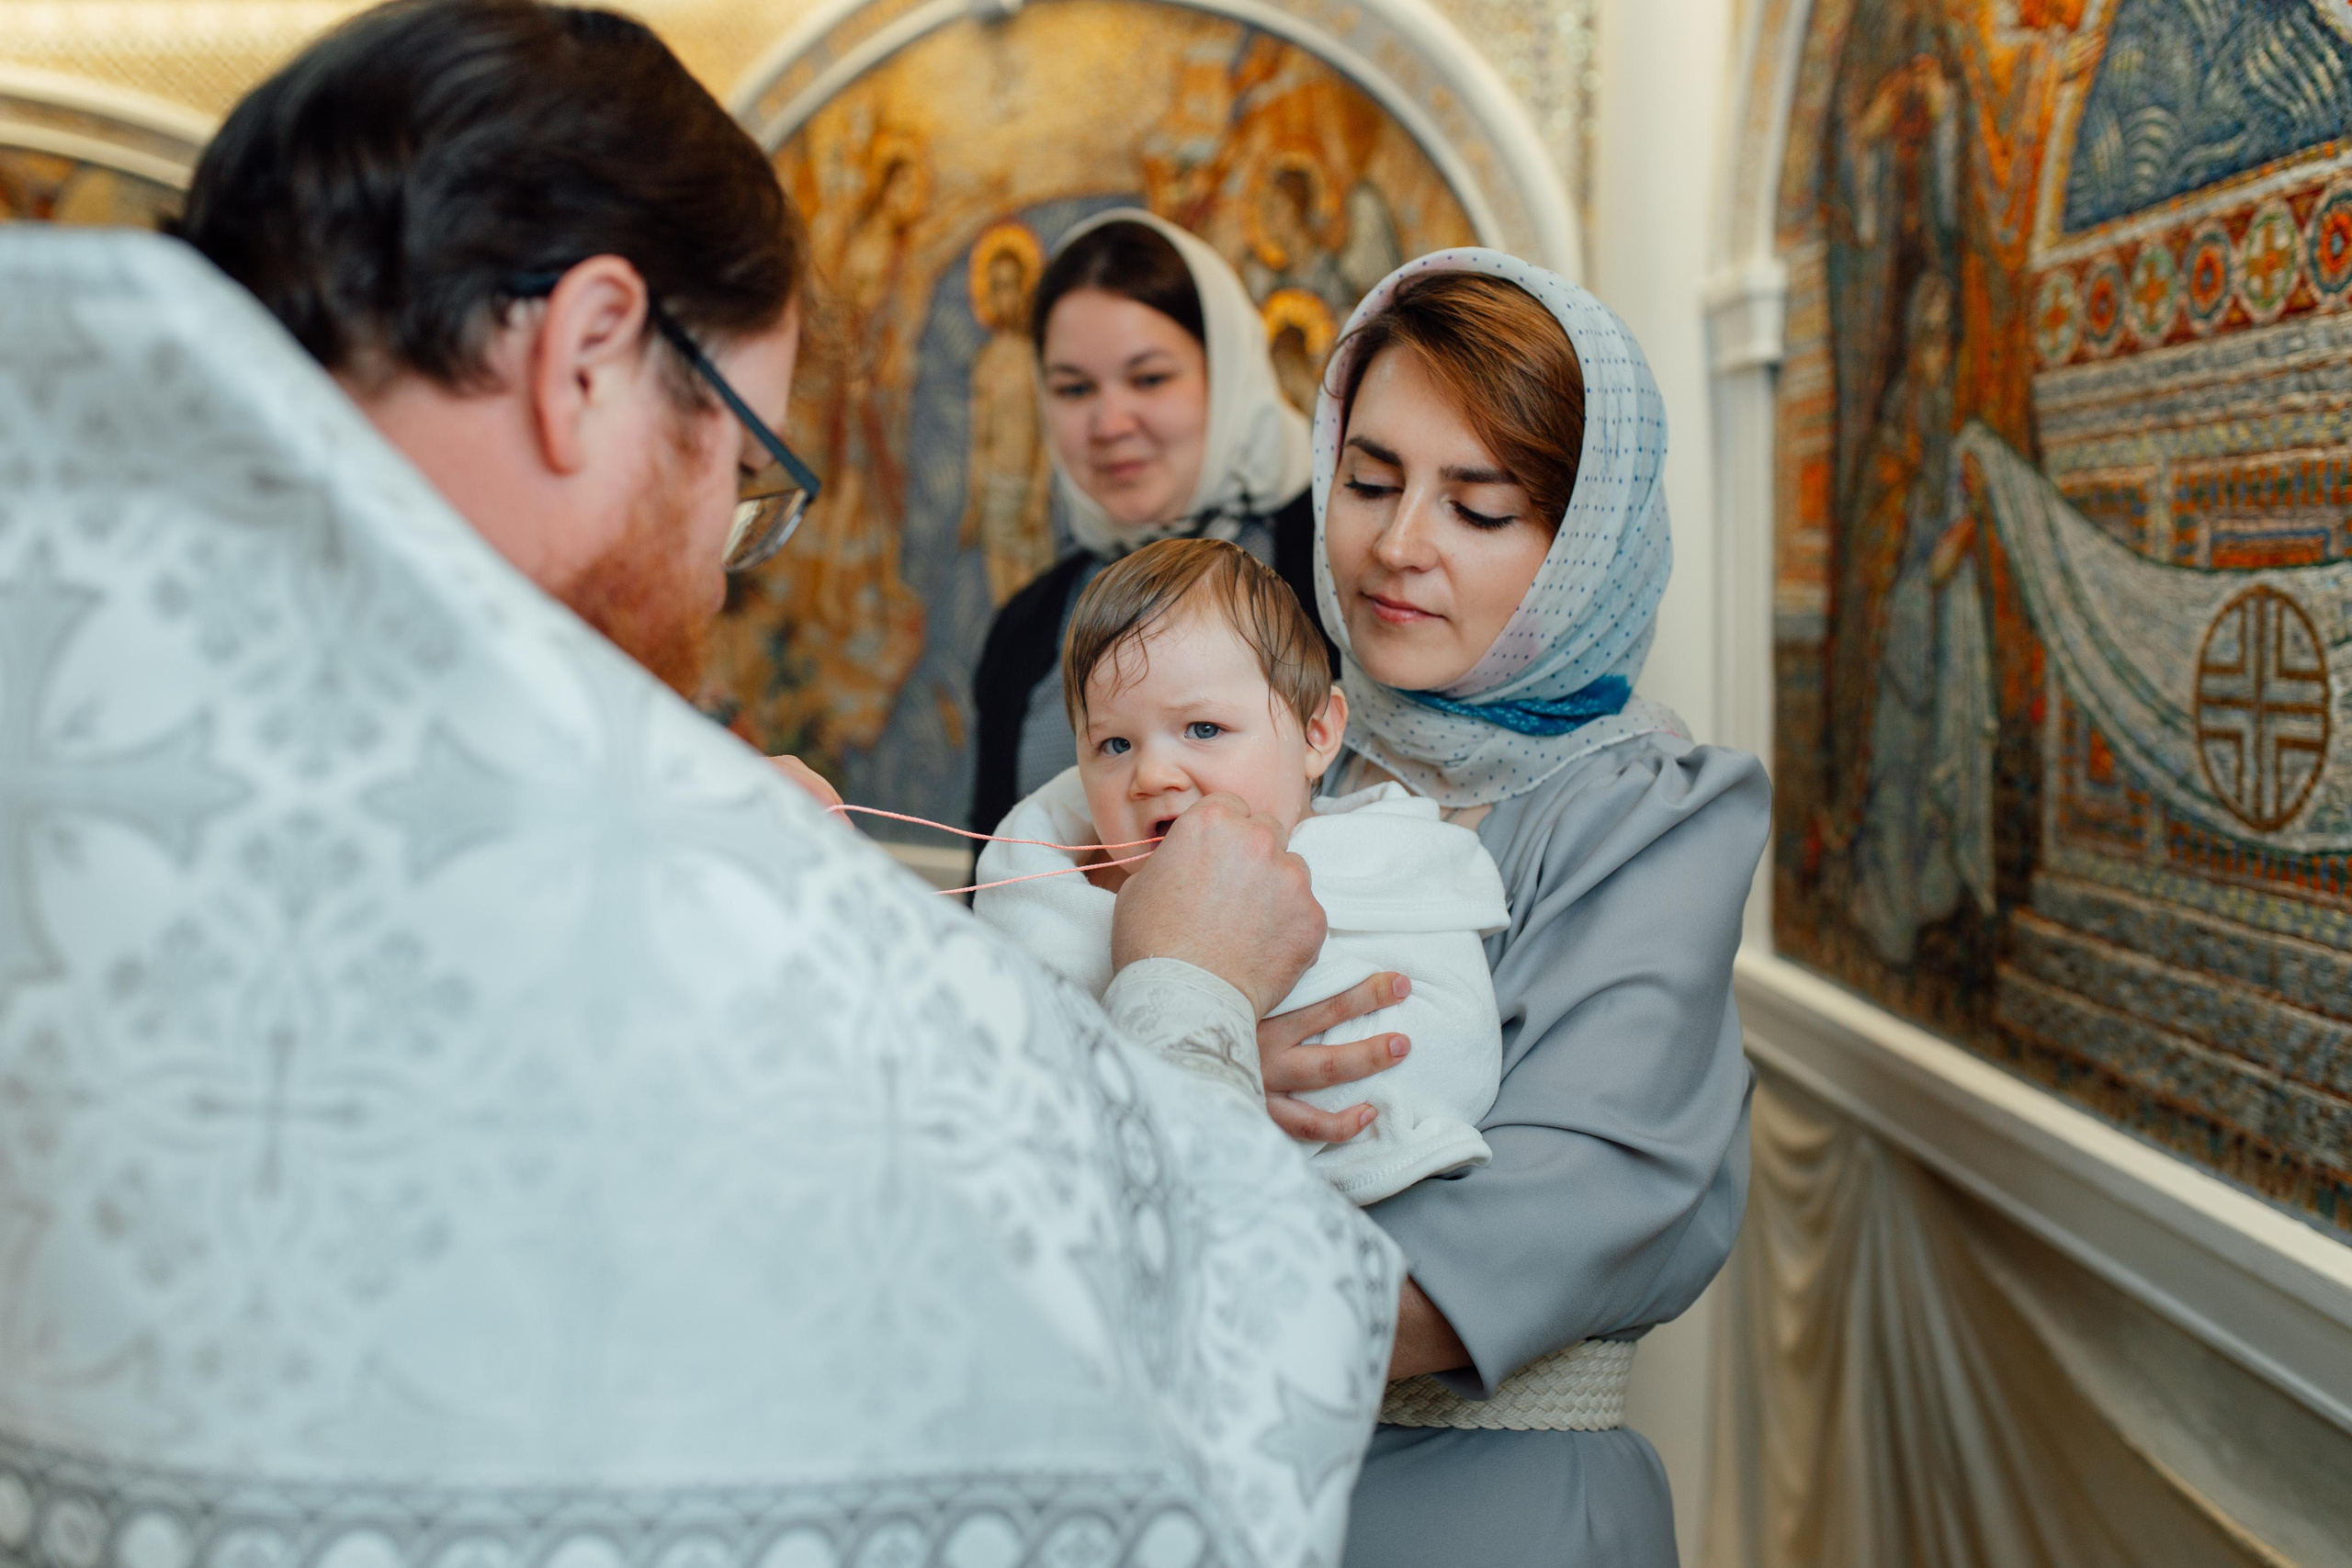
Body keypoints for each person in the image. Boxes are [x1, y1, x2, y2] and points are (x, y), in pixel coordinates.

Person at [0, 3, 1414, 1562]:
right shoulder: (675, 915)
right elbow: (1207, 1417)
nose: (721, 588)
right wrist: (1187, 988)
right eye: (742, 473)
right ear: (589, 352)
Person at [1294, 253, 1769, 1567]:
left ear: (1586, 547)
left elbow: (1553, 1206)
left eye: (1481, 507)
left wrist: (1126, 1283)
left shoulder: (1643, 814)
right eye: (1371, 480)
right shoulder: (1283, 756)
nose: (1399, 545)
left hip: (1488, 1511)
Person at [974, 537, 1510, 1205]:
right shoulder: (1049, 891)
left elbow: (1455, 1051)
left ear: (1317, 734)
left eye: (1202, 729)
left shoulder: (1390, 866)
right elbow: (999, 1079)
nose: (1152, 775)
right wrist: (1218, 1055)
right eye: (1114, 743)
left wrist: (1228, 1060)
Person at [969, 209, 1329, 840]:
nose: (1110, 423)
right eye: (1074, 389)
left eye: (1150, 378)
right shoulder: (1024, 630)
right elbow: (989, 883)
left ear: (1227, 372)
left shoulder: (1331, 565)